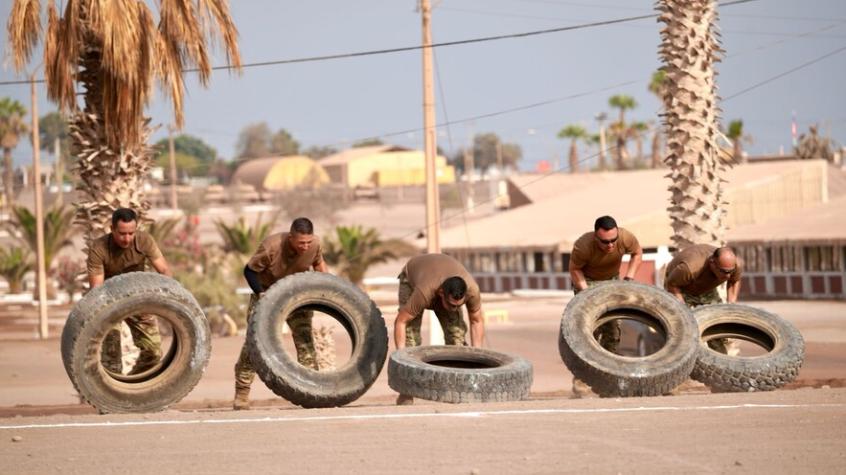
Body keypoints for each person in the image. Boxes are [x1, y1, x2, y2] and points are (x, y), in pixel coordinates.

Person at [233, 217, 328, 410]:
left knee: (305, 340)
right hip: (267, 294)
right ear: (291, 238)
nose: (305, 246)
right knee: (254, 344)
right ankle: (241, 393)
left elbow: (319, 264)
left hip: (296, 294)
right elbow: (249, 271)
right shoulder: (271, 246)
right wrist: (261, 294)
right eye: (301, 242)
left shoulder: (315, 244)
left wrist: (326, 285)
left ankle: (313, 391)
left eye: (308, 242)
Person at [87, 208, 172, 375]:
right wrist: (102, 314)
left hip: (137, 299)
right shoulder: (99, 248)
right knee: (111, 360)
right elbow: (96, 289)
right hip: (110, 301)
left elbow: (164, 271)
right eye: (122, 233)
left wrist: (169, 298)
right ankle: (114, 393)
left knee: (153, 353)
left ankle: (133, 383)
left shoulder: (144, 240)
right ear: (112, 228)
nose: (127, 239)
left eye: (131, 233)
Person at [393, 253, 486, 405]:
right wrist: (402, 356)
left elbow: (476, 321)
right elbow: (401, 322)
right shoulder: (424, 292)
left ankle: (457, 389)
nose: (454, 309)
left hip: (440, 281)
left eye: (458, 306)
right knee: (411, 340)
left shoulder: (472, 290)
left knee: (457, 339)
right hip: (411, 279)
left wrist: (478, 358)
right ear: (441, 294)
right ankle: (406, 392)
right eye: (451, 305)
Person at [568, 215, 643, 354]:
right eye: (605, 241)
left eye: (613, 240)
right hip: (588, 281)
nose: (610, 245)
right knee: (590, 328)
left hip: (611, 280)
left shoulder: (625, 237)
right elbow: (574, 269)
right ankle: (586, 362)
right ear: (596, 237)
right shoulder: (583, 245)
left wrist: (629, 278)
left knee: (613, 329)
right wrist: (586, 292)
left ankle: (608, 362)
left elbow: (637, 253)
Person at [665, 245, 743, 354]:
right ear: (712, 264)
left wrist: (731, 305)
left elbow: (734, 281)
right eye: (724, 272)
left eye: (731, 271)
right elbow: (672, 284)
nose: (728, 276)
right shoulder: (690, 267)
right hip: (681, 288)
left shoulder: (734, 266)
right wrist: (683, 309)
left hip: (706, 289)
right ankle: (681, 357)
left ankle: (719, 359)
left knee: (717, 327)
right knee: (683, 328)